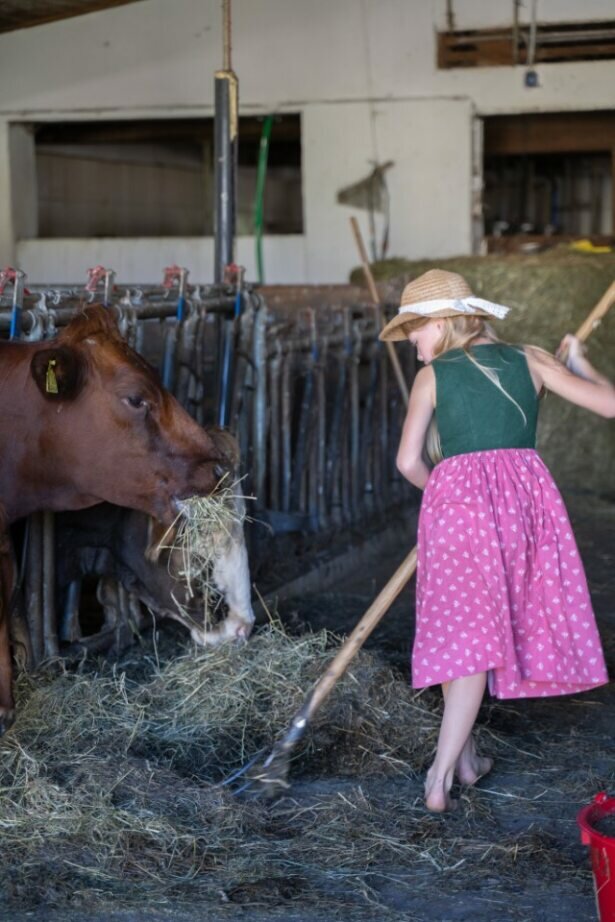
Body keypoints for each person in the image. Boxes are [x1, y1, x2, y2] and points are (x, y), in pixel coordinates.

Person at [379, 269, 614, 813]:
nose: (413, 346)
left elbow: (408, 462)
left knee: (463, 634)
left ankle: (436, 778)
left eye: (414, 332)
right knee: (466, 634)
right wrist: (579, 361)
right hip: (523, 514)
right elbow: (607, 405)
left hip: (455, 516)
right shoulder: (531, 359)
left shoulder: (433, 376)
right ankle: (465, 760)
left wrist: (444, 496)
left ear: (439, 322)